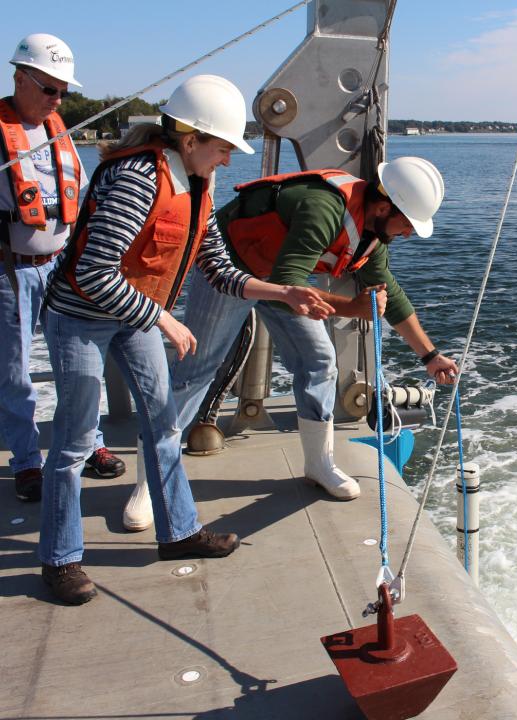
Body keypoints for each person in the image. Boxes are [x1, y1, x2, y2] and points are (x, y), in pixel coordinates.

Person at [38, 74, 335, 605]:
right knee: (76, 442)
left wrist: (283, 292)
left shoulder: (196, 187)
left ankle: (178, 532)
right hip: (80, 318)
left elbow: (219, 268)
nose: (226, 160)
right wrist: (165, 319)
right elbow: (94, 272)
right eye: (222, 148)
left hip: (135, 316)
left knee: (163, 423)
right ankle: (60, 559)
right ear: (191, 139)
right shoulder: (137, 179)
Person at [120, 156, 458, 531]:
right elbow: (290, 287)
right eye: (408, 224)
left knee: (319, 359)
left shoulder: (373, 234)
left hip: (279, 279)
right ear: (383, 206)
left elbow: (390, 296)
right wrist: (355, 307)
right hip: (230, 270)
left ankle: (319, 463)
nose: (408, 233)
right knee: (197, 371)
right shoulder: (323, 209)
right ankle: (149, 482)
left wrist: (430, 356)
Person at [0, 33, 126, 505]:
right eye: (49, 89)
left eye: (62, 92)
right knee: (13, 370)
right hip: (10, 273)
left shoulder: (59, 131)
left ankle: (87, 442)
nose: (57, 100)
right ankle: (28, 462)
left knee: (77, 360)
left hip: (60, 266)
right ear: (19, 78)